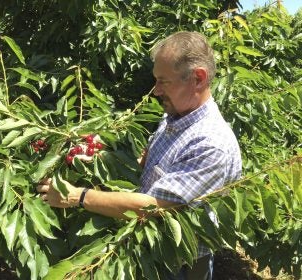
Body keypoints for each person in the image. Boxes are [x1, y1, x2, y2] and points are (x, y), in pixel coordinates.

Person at [37, 31, 242, 280]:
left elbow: (154, 209)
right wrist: (99, 164)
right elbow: (152, 161)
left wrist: (77, 196)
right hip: (149, 249)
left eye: (163, 81)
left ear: (198, 78)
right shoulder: (177, 115)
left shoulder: (211, 143)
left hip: (179, 264)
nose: (155, 91)